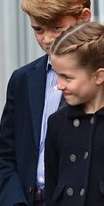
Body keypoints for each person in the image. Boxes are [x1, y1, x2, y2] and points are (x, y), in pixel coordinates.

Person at [0, 0, 91, 206]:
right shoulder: (23, 80)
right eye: (38, 29)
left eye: (57, 28)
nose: (46, 39)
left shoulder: (99, 77)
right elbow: (3, 155)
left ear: (84, 18)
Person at [45, 21, 104, 206]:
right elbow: (52, 185)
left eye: (67, 77)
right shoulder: (57, 123)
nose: (59, 85)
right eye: (57, 75)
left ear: (99, 76)